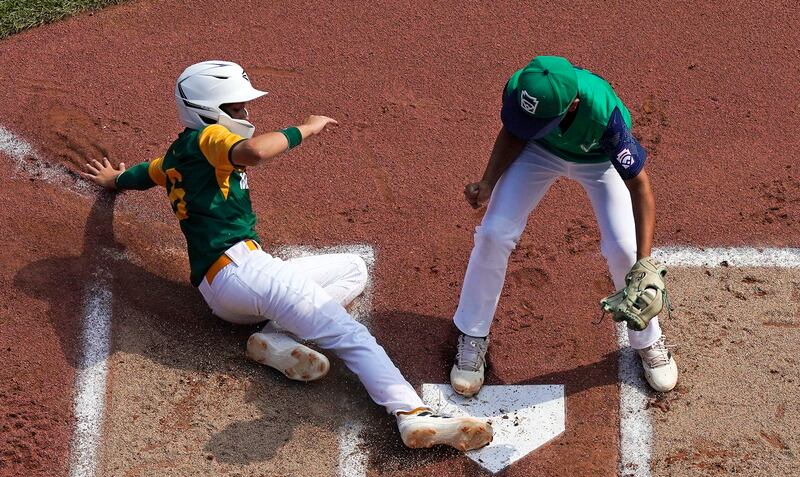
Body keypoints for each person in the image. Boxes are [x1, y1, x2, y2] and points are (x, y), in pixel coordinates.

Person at [80, 60, 492, 451]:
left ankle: (276, 338)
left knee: (352, 269)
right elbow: (255, 152)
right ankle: (411, 414)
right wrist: (306, 129)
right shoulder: (209, 138)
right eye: (234, 105)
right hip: (246, 269)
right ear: (206, 110)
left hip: (222, 291)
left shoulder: (176, 157)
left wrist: (114, 180)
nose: (243, 110)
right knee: (350, 336)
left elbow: (143, 174)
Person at [450, 56, 678, 397]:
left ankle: (649, 340)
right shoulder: (523, 86)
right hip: (539, 152)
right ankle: (473, 334)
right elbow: (515, 131)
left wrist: (645, 261)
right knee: (494, 232)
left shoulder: (604, 115)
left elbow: (640, 187)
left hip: (597, 161)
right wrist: (488, 181)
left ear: (572, 105)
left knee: (624, 250)